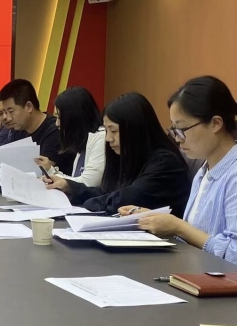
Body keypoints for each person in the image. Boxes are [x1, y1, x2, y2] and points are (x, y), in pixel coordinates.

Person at [119, 76, 237, 264]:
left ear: (216, 123)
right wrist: (156, 219)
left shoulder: (233, 174)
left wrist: (178, 227)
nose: (177, 138)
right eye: (174, 130)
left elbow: (234, 254)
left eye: (182, 129)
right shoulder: (204, 170)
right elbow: (196, 236)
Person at [45, 92, 190, 216]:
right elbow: (107, 192)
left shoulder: (165, 162)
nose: (108, 138)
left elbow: (124, 199)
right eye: (107, 130)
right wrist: (69, 187)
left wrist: (89, 203)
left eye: (113, 131)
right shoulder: (128, 156)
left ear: (135, 130)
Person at [35, 87, 106, 187]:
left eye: (60, 117)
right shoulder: (84, 141)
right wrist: (50, 170)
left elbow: (87, 184)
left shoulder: (101, 138)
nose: (57, 123)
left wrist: (52, 173)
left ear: (75, 117)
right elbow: (76, 182)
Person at [0, 79, 73, 173]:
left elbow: (42, 172)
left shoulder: (55, 130)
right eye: (5, 112)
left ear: (29, 106)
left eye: (11, 111)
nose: (8, 118)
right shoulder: (17, 130)